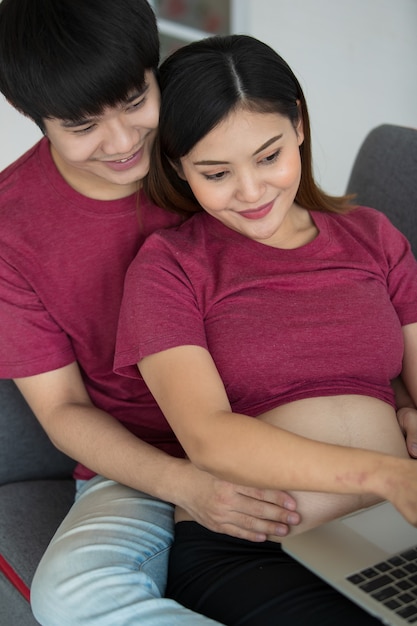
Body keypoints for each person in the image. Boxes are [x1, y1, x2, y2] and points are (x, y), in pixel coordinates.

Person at [0, 4, 304, 625]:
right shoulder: (12, 229)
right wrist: (185, 485)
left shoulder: (220, 149)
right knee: (72, 597)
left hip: (288, 419)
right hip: (142, 462)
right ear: (36, 121)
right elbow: (61, 409)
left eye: (137, 98)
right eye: (83, 125)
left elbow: (330, 269)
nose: (122, 142)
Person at [115, 34, 417, 625]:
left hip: (393, 535)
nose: (251, 192)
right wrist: (386, 473)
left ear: (298, 124)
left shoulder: (373, 237)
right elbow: (208, 437)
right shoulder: (169, 264)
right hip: (254, 552)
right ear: (177, 165)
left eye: (269, 156)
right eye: (216, 172)